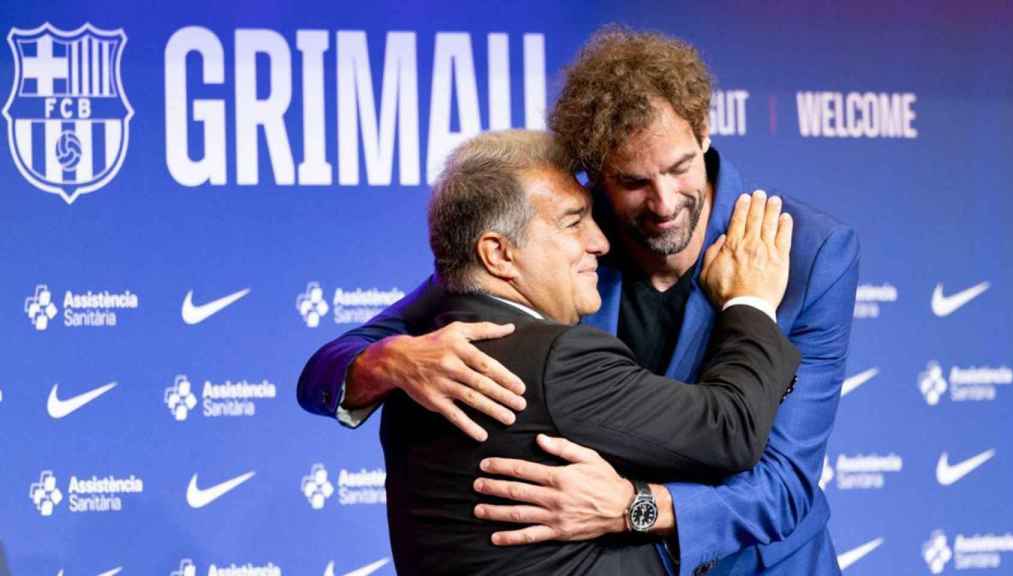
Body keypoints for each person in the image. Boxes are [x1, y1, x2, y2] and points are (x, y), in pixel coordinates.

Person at [298, 28, 859, 576]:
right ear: (594, 173)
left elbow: (784, 484)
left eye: (679, 168)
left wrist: (632, 508)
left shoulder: (809, 252)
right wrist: (387, 362)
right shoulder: (562, 236)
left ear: (704, 131)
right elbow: (340, 358)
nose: (664, 203)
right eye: (634, 181)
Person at [373, 129, 798, 575]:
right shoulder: (553, 359)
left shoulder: (412, 366)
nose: (600, 242)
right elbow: (731, 428)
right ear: (498, 254)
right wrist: (750, 302)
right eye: (573, 222)